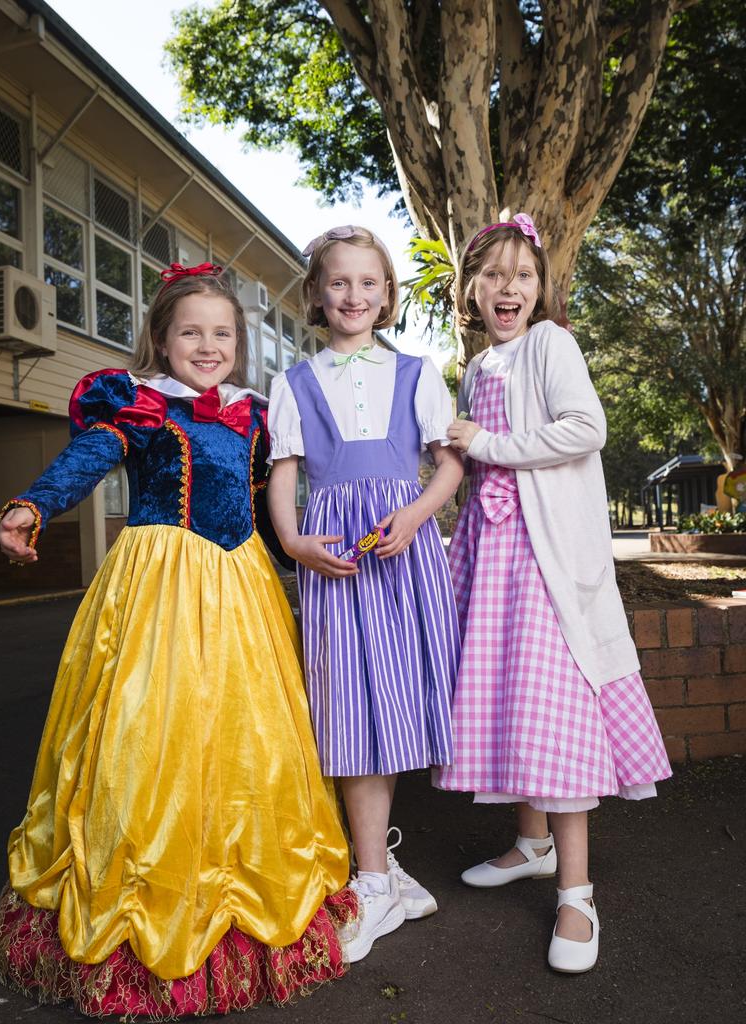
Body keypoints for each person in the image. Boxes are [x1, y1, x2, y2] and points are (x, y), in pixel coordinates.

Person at [0, 263, 355, 1017]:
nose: (207, 345)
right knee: (149, 733)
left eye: (222, 333)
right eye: (191, 332)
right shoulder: (142, 404)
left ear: (239, 345)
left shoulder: (253, 416)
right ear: (161, 338)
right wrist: (33, 504)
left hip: (242, 585)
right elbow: (89, 457)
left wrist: (306, 554)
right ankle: (141, 903)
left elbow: (263, 504)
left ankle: (243, 889)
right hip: (159, 584)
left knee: (247, 738)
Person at [434, 214, 672, 973]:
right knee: (514, 701)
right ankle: (532, 844)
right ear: (472, 289)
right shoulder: (476, 367)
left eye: (524, 276)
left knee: (554, 708)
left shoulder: (550, 344)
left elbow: (585, 428)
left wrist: (490, 446)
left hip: (543, 563)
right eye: (495, 275)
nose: (510, 288)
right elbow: (474, 468)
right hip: (492, 557)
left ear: (541, 289)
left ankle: (577, 892)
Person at [267, 226, 463, 963]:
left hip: (402, 550)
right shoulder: (292, 383)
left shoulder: (417, 371)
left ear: (389, 295)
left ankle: (382, 871)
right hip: (334, 556)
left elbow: (447, 468)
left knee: (397, 705)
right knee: (349, 709)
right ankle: (376, 878)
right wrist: (293, 544)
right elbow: (284, 474)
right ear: (317, 295)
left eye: (369, 283)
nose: (354, 295)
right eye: (339, 283)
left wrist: (415, 517)